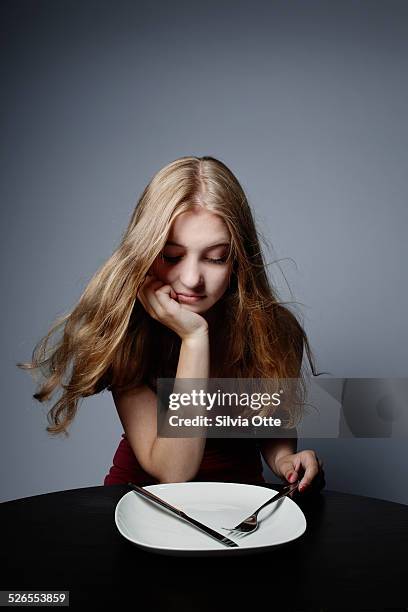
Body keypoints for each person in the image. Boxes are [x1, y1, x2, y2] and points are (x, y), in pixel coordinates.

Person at [18, 155, 325, 495]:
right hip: (145, 504)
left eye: (215, 257)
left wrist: (285, 460)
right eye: (172, 256)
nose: (192, 279)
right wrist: (194, 338)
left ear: (238, 259)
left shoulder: (276, 330)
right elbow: (175, 471)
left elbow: (268, 423)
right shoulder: (127, 333)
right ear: (146, 253)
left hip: (238, 506)